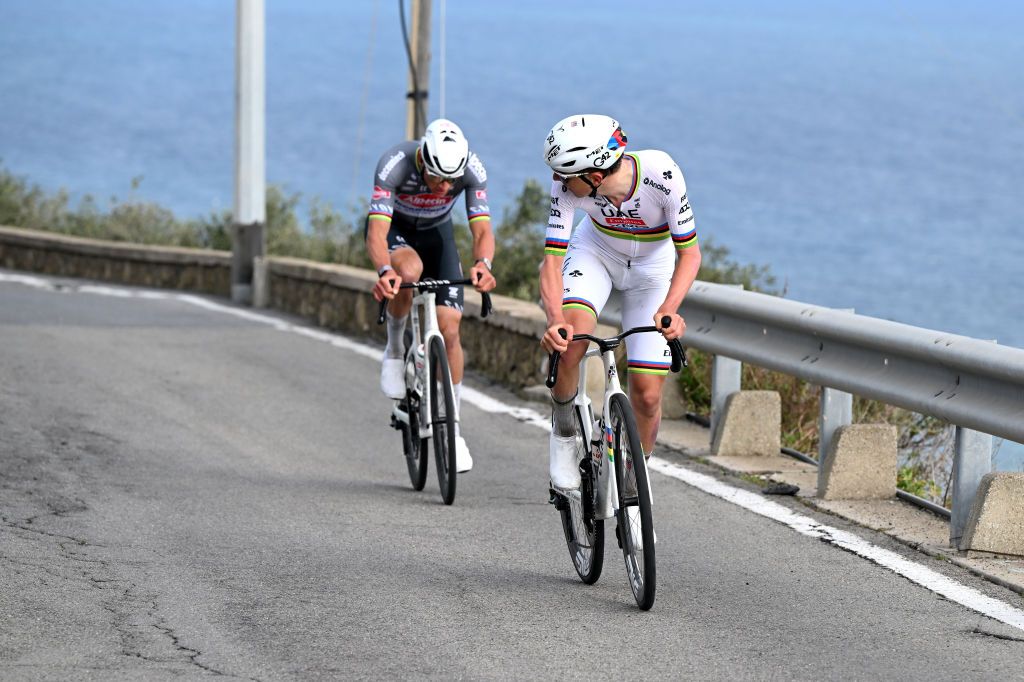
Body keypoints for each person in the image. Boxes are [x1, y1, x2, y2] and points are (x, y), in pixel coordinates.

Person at [539, 114, 701, 492]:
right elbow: (551, 260)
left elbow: (690, 255)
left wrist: (670, 309)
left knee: (646, 395)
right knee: (572, 340)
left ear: (594, 174)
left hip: (652, 270)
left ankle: (632, 483)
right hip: (594, 254)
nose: (560, 182)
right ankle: (564, 435)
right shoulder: (566, 188)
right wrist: (554, 318)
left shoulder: (661, 174)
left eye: (566, 175)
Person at [366, 118, 497, 473]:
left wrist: (483, 264)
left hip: (438, 235)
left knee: (450, 329)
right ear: (423, 161)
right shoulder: (395, 163)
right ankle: (395, 348)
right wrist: (384, 271)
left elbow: (482, 228)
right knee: (408, 272)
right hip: (398, 233)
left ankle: (453, 430)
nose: (445, 187)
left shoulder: (470, 169)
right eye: (438, 178)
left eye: (452, 180)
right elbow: (377, 232)